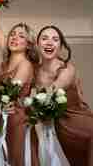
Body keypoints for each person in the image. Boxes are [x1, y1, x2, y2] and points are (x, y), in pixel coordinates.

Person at [34, 25, 93, 166]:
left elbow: (52, 92)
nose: (49, 42)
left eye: (55, 39)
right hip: (62, 131)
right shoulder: (35, 71)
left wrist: (31, 107)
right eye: (44, 38)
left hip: (83, 125)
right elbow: (6, 49)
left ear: (60, 46)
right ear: (37, 44)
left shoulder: (67, 69)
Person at [0, 10, 40, 166]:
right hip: (4, 115)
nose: (14, 38)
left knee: (18, 158)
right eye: (12, 34)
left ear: (28, 44)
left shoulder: (25, 64)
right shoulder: (6, 62)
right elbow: (0, 40)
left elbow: (10, 92)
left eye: (21, 36)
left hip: (17, 118)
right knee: (7, 157)